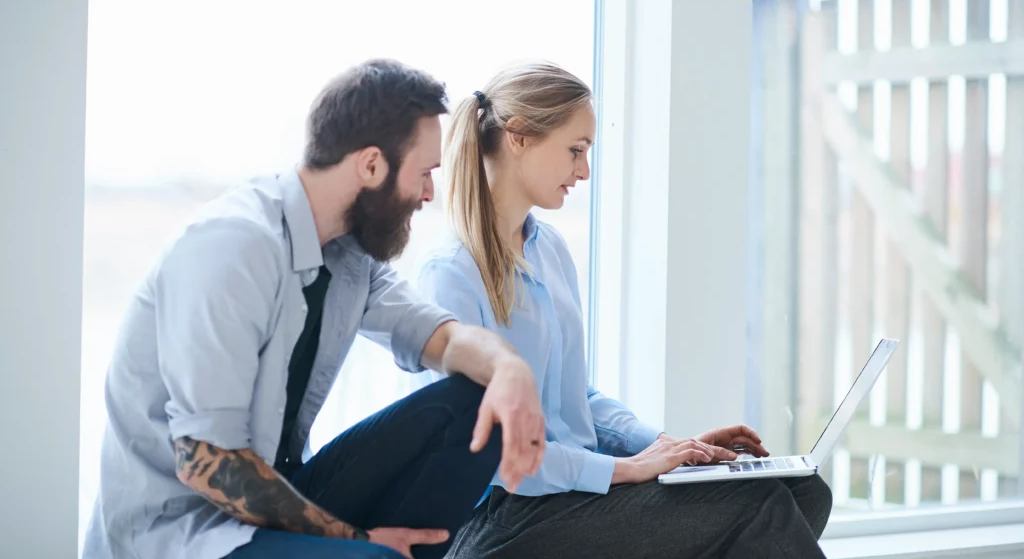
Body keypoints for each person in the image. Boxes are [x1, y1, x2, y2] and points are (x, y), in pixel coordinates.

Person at [82, 59, 548, 559]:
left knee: (476, 403)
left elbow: (445, 338)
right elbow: (208, 462)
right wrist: (359, 540)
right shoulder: (234, 247)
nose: (429, 194)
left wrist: (509, 368)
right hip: (187, 528)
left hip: (279, 493)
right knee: (374, 557)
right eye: (424, 173)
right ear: (371, 165)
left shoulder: (348, 256)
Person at [416, 61, 834, 558]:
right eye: (576, 150)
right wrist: (625, 469)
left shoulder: (547, 250)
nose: (584, 170)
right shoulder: (451, 275)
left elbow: (577, 400)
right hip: (499, 517)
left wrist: (664, 446)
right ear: (519, 138)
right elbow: (483, 454)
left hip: (571, 495)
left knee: (803, 492)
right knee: (757, 506)